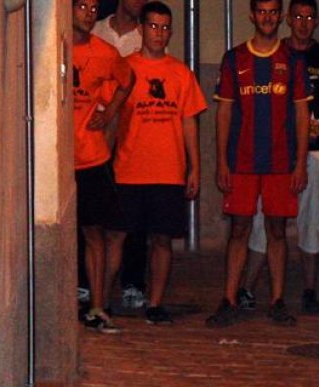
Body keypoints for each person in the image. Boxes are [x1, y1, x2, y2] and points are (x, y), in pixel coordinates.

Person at [238, 0, 319, 316]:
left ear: (316, 21)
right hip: (275, 155)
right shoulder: (277, 54)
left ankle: (310, 290)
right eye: (297, 17)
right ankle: (247, 287)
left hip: (312, 154)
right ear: (288, 19)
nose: (302, 23)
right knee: (264, 221)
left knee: (310, 221)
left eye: (309, 17)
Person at [208, 0, 311, 327]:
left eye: (273, 12)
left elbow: (301, 114)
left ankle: (278, 300)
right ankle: (228, 298)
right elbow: (223, 112)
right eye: (261, 11)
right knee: (238, 229)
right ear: (252, 15)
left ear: (280, 17)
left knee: (277, 230)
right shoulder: (234, 58)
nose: (267, 17)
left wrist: (300, 164)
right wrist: (221, 160)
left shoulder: (292, 61)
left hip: (281, 163)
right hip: (242, 162)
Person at [108, 1, 207, 325]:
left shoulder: (180, 73)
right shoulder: (124, 68)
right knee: (117, 236)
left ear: (171, 32)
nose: (159, 33)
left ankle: (155, 303)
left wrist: (195, 167)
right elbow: (110, 118)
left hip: (167, 171)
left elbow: (189, 122)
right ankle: (101, 299)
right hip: (128, 169)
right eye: (153, 26)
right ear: (142, 29)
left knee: (162, 240)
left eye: (165, 28)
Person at [72, 0, 134, 333]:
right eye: (81, 6)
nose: (88, 12)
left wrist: (109, 113)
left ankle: (97, 306)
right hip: (56, 158)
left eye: (93, 7)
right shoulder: (55, 50)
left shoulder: (105, 52)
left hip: (91, 157)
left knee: (95, 233)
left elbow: (128, 79)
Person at [92, 0, 152, 311]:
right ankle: (89, 282)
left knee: (134, 213)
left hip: (133, 133)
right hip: (97, 131)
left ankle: (132, 282)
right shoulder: (97, 28)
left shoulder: (147, 35)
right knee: (96, 211)